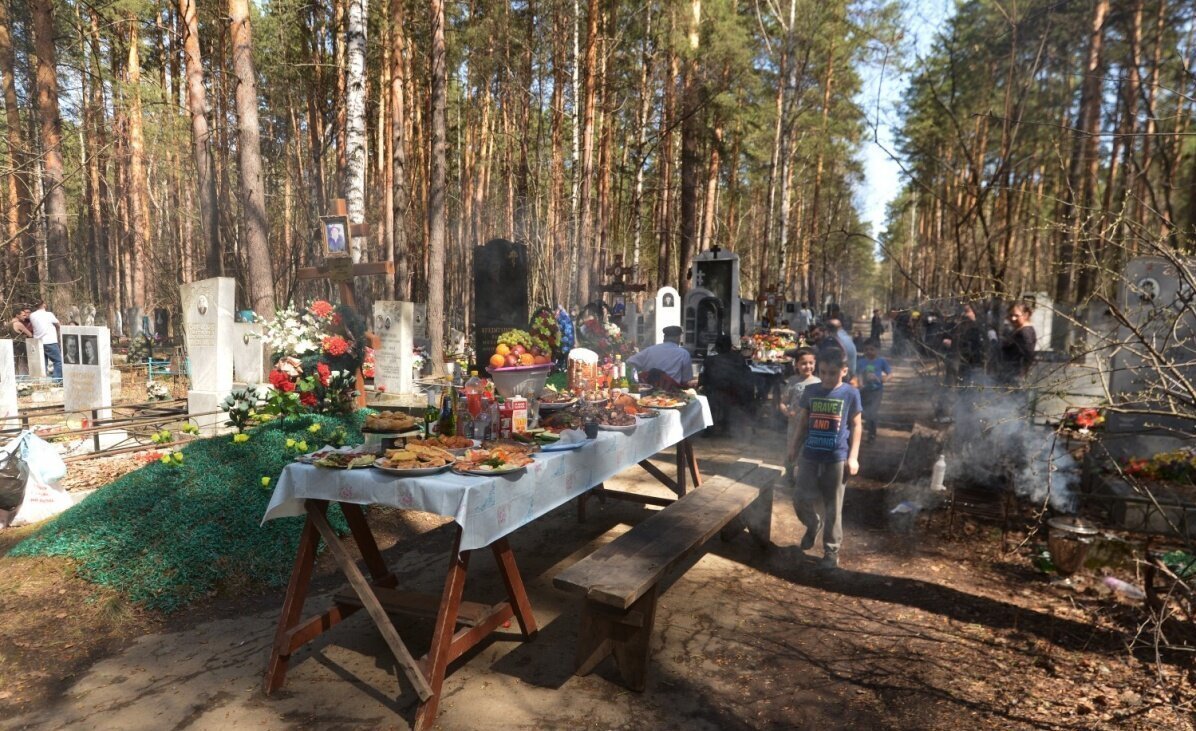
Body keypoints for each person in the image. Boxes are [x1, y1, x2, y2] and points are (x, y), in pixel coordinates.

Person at [787, 346, 862, 570]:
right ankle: (812, 524)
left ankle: (831, 551)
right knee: (799, 498)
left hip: (836, 457)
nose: (827, 377)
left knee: (833, 505)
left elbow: (857, 425)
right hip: (810, 454)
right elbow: (802, 422)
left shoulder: (850, 393)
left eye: (832, 373)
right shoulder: (812, 392)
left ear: (844, 371)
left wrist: (853, 457)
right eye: (824, 372)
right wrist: (794, 447)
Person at [699, 335, 754, 435]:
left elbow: (702, 379)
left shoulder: (709, 360)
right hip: (735, 393)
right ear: (730, 347)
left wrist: (702, 385)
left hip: (714, 394)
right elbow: (747, 374)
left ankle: (709, 428)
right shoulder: (739, 359)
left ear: (717, 347)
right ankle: (726, 425)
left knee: (706, 393)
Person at [779, 347, 820, 477]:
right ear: (796, 364)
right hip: (794, 424)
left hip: (811, 426)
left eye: (810, 363)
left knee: (806, 452)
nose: (807, 366)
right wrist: (786, 412)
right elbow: (782, 402)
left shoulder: (819, 383)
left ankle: (805, 476)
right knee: (792, 449)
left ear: (815, 363)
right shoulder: (792, 381)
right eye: (803, 363)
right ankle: (789, 476)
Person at [627, 325, 694, 389]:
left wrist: (635, 380)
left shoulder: (650, 350)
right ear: (678, 338)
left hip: (648, 393)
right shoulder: (684, 354)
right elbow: (686, 380)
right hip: (672, 396)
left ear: (664, 337)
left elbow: (629, 363)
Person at [855, 340, 891, 443]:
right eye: (866, 349)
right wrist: (860, 382)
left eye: (872, 349)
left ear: (877, 350)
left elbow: (890, 374)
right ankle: (868, 426)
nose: (869, 352)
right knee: (865, 412)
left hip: (876, 391)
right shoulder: (861, 362)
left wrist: (885, 379)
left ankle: (872, 435)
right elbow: (858, 374)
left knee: (873, 412)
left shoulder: (881, 361)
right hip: (864, 391)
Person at [997, 301, 1036, 385]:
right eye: (1011, 315)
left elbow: (1028, 355)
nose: (1013, 318)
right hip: (1011, 374)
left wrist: (1022, 375)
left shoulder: (1025, 332)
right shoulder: (1020, 330)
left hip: (1015, 377)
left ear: (1026, 315)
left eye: (1016, 316)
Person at [28, 301, 62, 382]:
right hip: (50, 341)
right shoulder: (49, 314)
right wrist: (56, 330)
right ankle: (56, 381)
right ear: (44, 305)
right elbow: (58, 324)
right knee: (58, 361)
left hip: (38, 342)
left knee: (43, 363)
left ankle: (42, 381)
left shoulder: (32, 315)